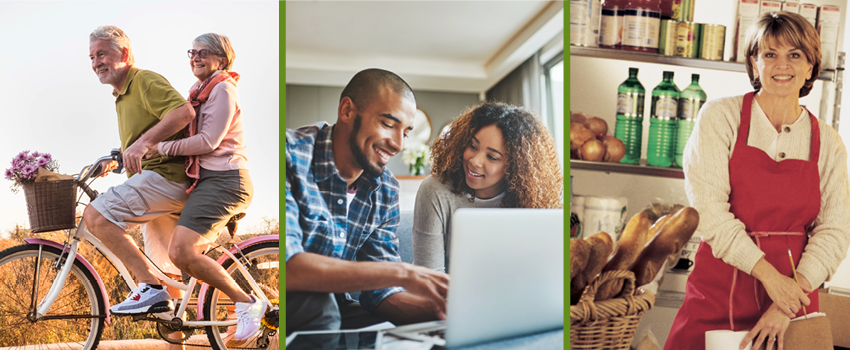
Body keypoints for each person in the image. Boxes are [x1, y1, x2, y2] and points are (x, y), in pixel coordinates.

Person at [665, 12, 850, 350]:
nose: (783, 65)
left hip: (796, 297)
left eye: (795, 55)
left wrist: (785, 302)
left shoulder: (829, 143)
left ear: (810, 67)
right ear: (754, 63)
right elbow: (709, 212)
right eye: (770, 54)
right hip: (718, 290)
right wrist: (769, 277)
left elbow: (835, 232)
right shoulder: (720, 117)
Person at [286, 68, 450, 335]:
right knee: (323, 309)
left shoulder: (386, 189)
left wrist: (443, 313)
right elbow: (289, 265)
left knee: (395, 335)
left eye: (405, 132)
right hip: (293, 305)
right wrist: (403, 273)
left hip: (338, 309)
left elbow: (380, 294)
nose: (398, 145)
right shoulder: (291, 155)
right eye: (388, 124)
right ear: (347, 111)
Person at [141, 33, 262, 342]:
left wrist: (162, 148)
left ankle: (246, 302)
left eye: (203, 52)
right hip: (208, 181)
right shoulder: (199, 92)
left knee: (181, 251)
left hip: (226, 181)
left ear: (222, 59)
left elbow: (209, 141)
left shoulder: (222, 89)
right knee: (180, 252)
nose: (195, 57)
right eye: (191, 52)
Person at [83, 25, 195, 316]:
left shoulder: (143, 80)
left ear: (125, 53)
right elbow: (143, 140)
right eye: (92, 57)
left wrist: (143, 143)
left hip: (166, 178)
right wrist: (118, 157)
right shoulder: (121, 96)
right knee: (165, 271)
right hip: (156, 181)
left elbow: (184, 113)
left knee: (95, 215)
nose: (96, 62)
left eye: (102, 54)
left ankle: (146, 286)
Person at [412, 102, 562, 272]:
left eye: (492, 157)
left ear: (515, 166)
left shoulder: (531, 200)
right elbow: (428, 277)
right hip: (446, 297)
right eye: (473, 146)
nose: (474, 161)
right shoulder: (436, 191)